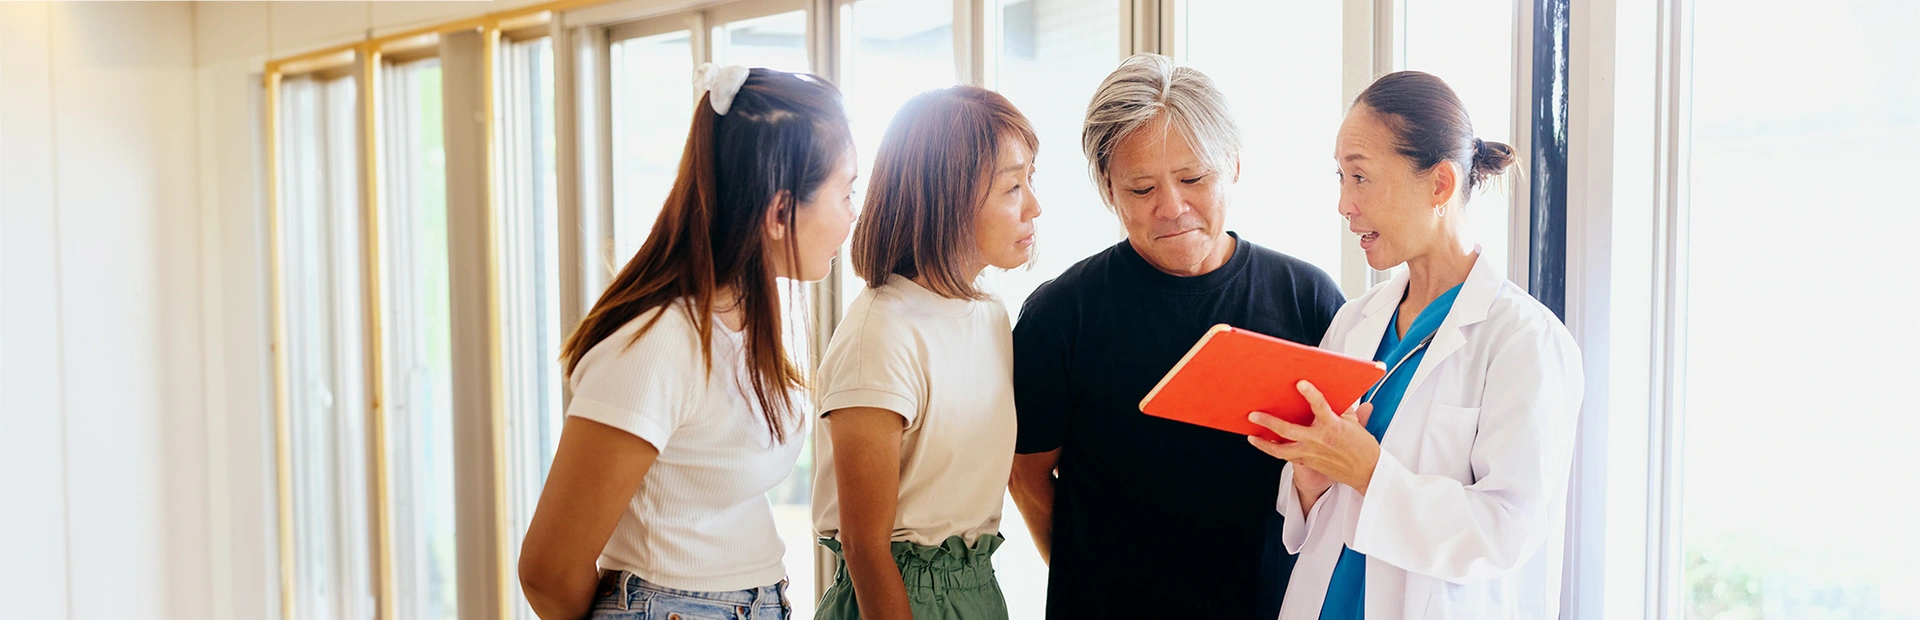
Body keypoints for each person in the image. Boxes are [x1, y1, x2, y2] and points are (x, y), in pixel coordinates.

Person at [1007, 54, 1346, 619]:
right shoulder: (1061, 314)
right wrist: (1090, 575)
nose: (1172, 207)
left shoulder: (1308, 299)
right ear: (1108, 191)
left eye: (1193, 178)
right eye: (1141, 188)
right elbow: (1028, 476)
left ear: (1233, 165)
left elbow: (1341, 471)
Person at [516, 65, 857, 620]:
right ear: (779, 212)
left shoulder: (751, 323)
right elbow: (548, 571)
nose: (853, 216)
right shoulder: (655, 345)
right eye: (846, 193)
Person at [1245, 70, 1584, 620]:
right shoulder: (1355, 323)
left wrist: (1367, 471)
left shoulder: (1525, 340)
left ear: (1440, 185)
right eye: (1340, 178)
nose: (1344, 204)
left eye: (1361, 178)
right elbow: (1308, 516)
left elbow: (1507, 532)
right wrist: (1308, 479)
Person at [810, 85, 1041, 620]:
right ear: (951, 197)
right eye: (1013, 186)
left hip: (978, 590)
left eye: (1030, 180)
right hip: (894, 598)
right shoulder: (881, 333)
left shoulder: (990, 315)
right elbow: (866, 548)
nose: (1033, 205)